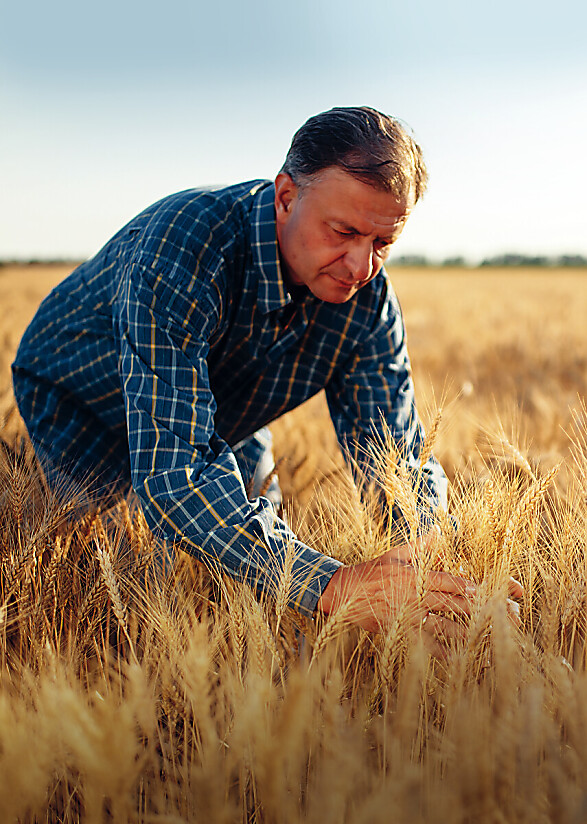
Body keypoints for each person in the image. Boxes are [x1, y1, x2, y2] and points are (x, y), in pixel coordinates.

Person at [11, 106, 520, 639]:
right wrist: (334, 585)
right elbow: (175, 475)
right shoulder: (184, 246)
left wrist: (442, 564)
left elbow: (395, 456)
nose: (360, 266)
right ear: (285, 197)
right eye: (343, 231)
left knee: (251, 581)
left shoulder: (367, 304)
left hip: (220, 408)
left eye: (382, 243)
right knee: (101, 577)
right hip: (79, 399)